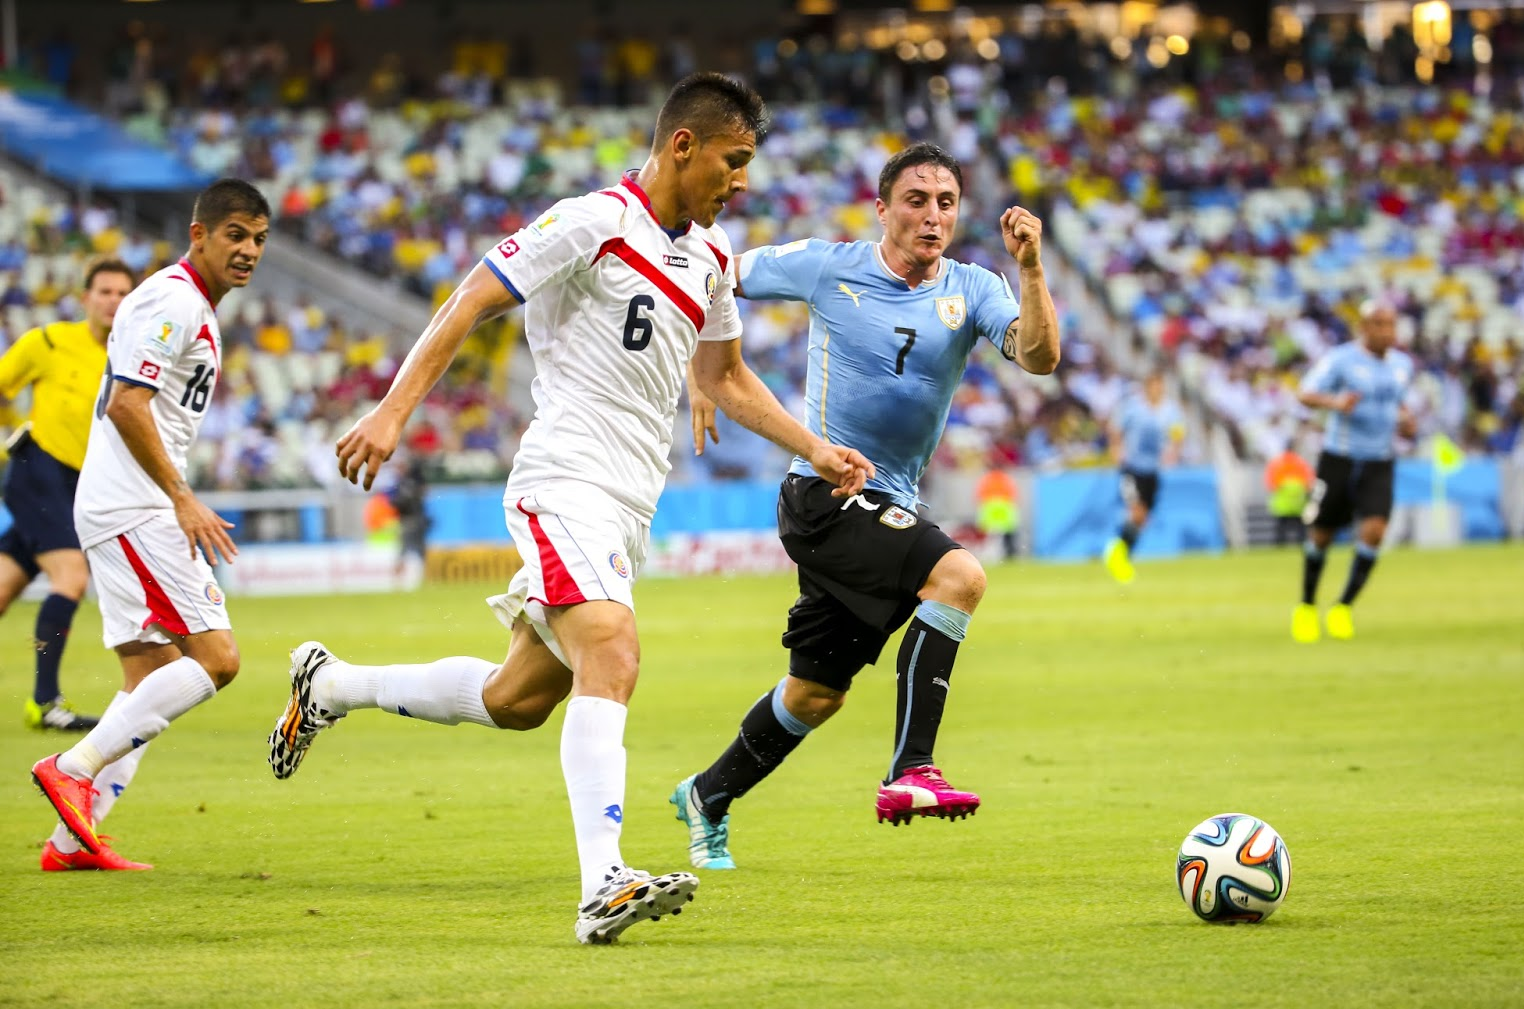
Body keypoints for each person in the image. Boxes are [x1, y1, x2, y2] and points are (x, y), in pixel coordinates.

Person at [265, 73, 872, 945]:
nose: (740, 182)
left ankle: (330, 683)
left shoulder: (709, 257)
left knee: (517, 698)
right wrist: (394, 409)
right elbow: (474, 296)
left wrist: (813, 446)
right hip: (564, 480)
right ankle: (603, 882)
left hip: (627, 504)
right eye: (732, 162)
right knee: (613, 648)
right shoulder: (592, 222)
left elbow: (724, 377)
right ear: (683, 146)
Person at [669, 142, 1059, 870]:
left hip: (889, 499)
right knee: (960, 576)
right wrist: (704, 367)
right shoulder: (829, 265)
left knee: (816, 694)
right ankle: (912, 768)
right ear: (882, 210)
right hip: (822, 493)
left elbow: (1038, 357)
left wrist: (1032, 270)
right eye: (916, 200)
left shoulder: (975, 287)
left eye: (946, 202)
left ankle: (706, 794)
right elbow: (713, 273)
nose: (932, 215)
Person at [29, 179, 271, 871]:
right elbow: (128, 406)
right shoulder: (171, 299)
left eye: (257, 238)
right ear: (199, 234)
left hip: (121, 503)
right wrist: (182, 496)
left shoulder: (192, 304)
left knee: (150, 678)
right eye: (234, 234)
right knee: (216, 659)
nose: (248, 250)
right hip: (137, 506)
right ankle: (73, 764)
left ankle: (73, 838)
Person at [0, 258, 135, 731]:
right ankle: (44, 702)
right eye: (104, 291)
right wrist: (9, 437)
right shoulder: (49, 341)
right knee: (72, 576)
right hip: (38, 469)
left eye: (122, 293)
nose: (113, 301)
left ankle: (44, 702)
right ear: (86, 298)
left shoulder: (130, 359)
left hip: (83, 485)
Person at [1292, 300, 1415, 642]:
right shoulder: (1341, 359)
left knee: (1375, 531)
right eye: (1379, 324)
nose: (1387, 331)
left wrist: (1406, 422)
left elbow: (1398, 401)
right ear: (1364, 327)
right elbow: (1305, 393)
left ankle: (1342, 607)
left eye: (1391, 324)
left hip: (1380, 459)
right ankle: (1306, 605)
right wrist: (1335, 403)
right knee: (1321, 536)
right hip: (1340, 458)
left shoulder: (1402, 365)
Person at [1102, 371, 1184, 584]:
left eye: (1161, 387)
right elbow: (1115, 428)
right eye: (1155, 386)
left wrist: (1174, 449)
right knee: (1137, 512)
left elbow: (1177, 432)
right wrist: (1116, 448)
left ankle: (1120, 553)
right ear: (1147, 387)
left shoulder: (1169, 410)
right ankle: (1116, 554)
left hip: (1152, 471)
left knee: (1143, 518)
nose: (1158, 391)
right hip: (1132, 469)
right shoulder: (1133, 407)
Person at [1265, 439, 1315, 546]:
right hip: (1299, 502)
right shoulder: (1301, 462)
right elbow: (1309, 481)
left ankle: (1279, 548)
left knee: (1281, 528)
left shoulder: (1276, 463)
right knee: (1301, 529)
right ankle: (1303, 546)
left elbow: (1270, 483)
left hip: (1282, 502)